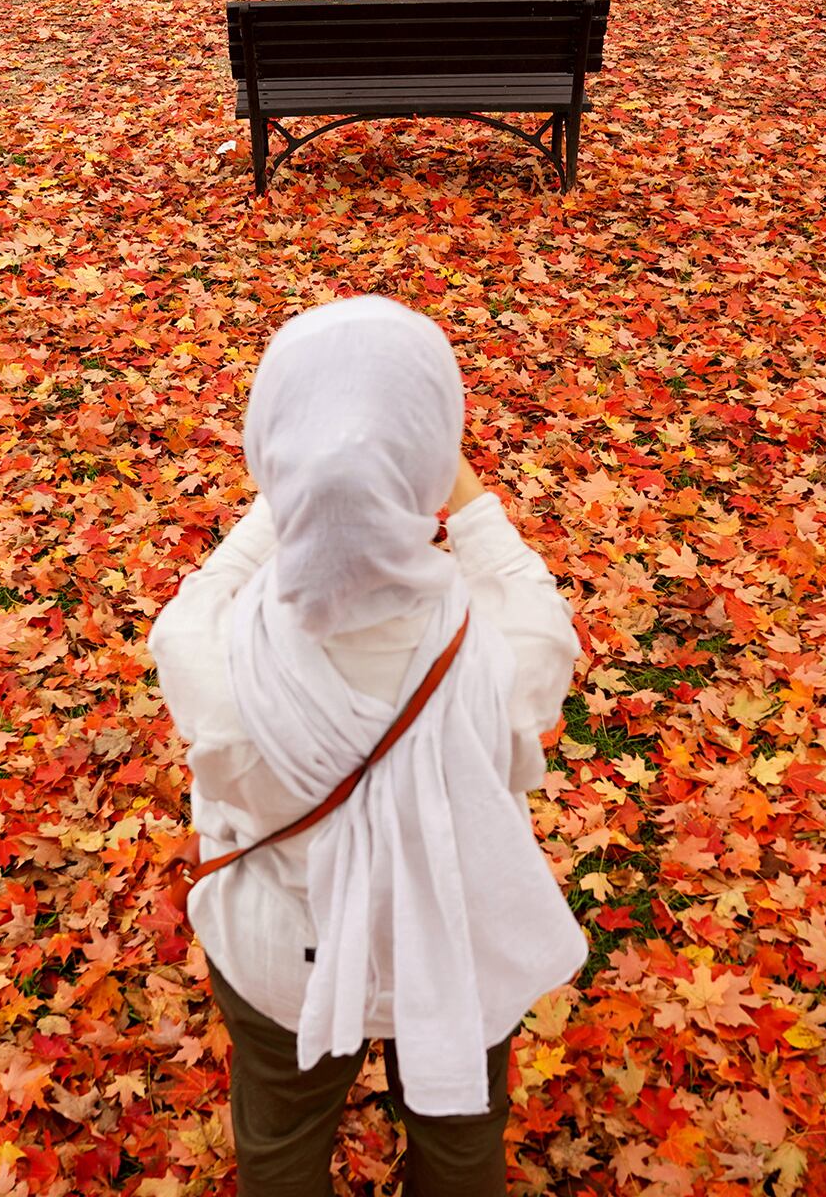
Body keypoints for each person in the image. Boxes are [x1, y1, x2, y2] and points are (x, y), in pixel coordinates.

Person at [147, 294, 589, 1197]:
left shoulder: (209, 654)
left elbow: (205, 593)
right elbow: (532, 599)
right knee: (463, 1142)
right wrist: (444, 484)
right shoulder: (502, 654)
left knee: (280, 1137)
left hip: (279, 956)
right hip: (453, 940)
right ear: (430, 464)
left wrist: (311, 483)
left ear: (269, 452)